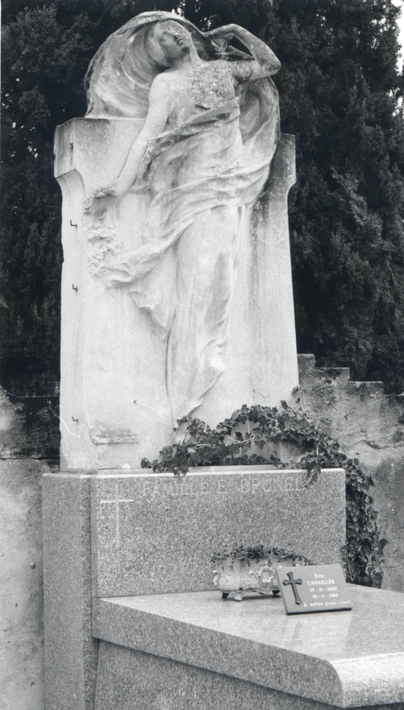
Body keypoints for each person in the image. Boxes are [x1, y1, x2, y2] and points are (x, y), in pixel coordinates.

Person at [85, 15, 280, 424]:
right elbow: (149, 137)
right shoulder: (166, 84)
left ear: (189, 33)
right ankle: (184, 400)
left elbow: (269, 65)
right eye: (161, 38)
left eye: (173, 28)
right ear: (157, 54)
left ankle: (202, 382)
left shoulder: (224, 70)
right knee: (196, 284)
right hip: (191, 191)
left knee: (222, 285)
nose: (171, 35)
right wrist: (119, 187)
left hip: (228, 187)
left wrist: (233, 31)